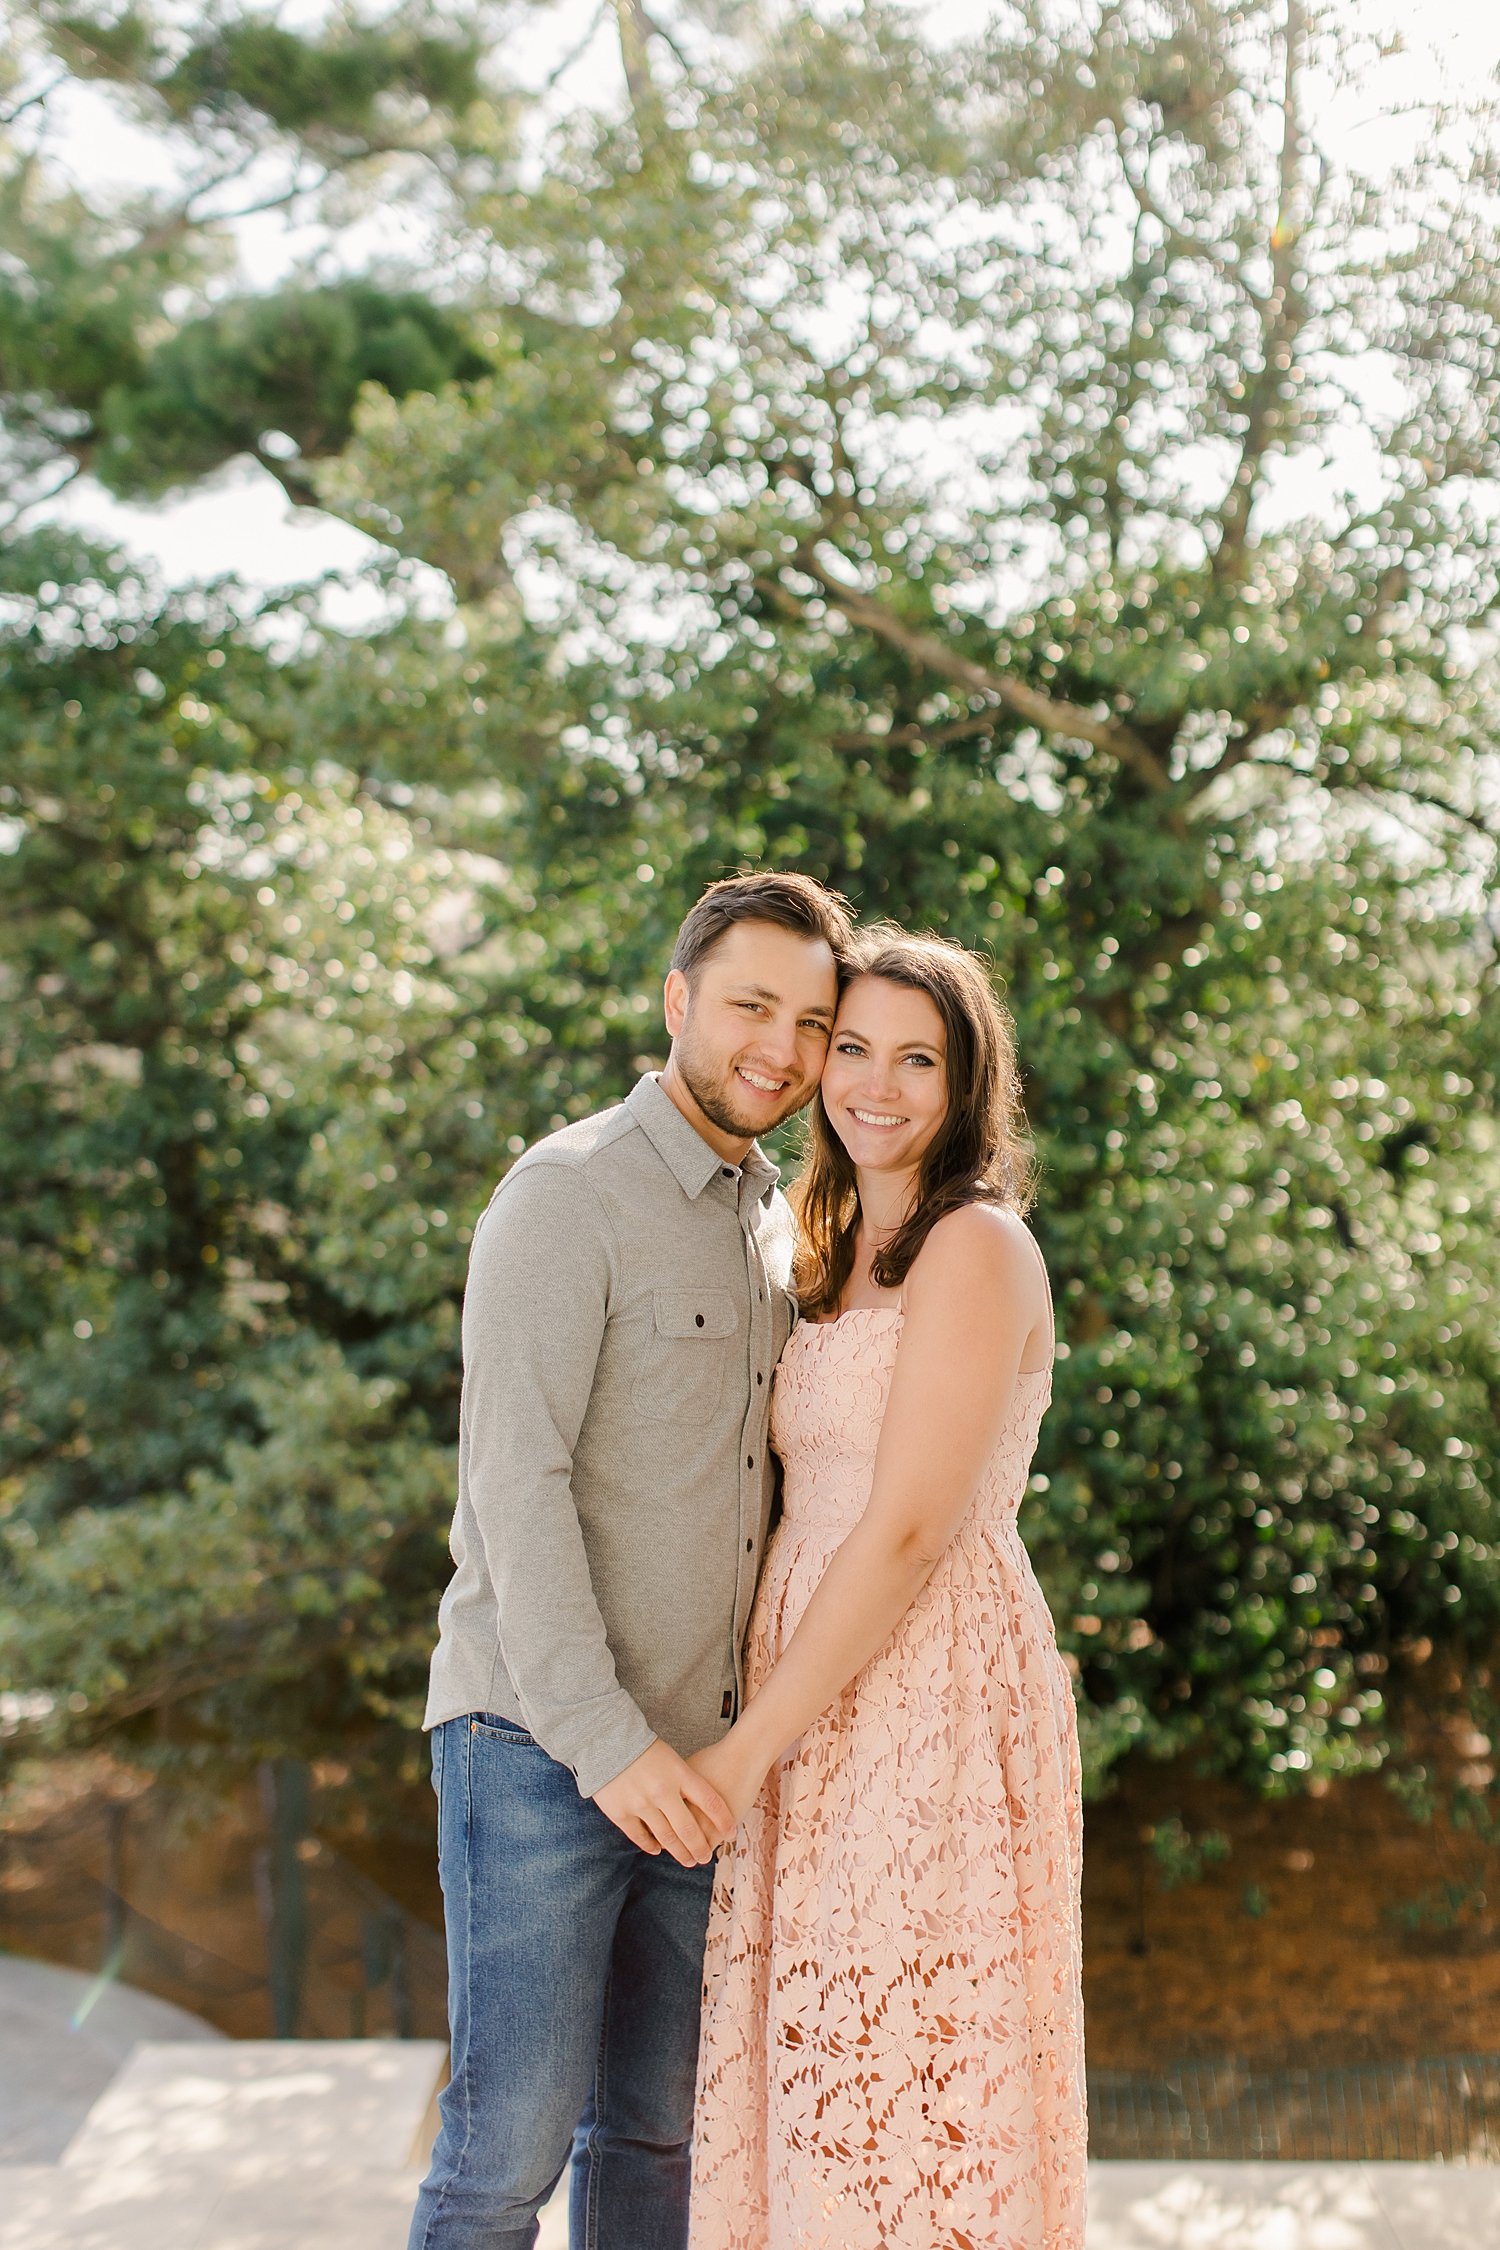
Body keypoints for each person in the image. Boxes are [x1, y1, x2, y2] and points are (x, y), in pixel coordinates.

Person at [407, 871, 853, 2250]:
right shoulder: (564, 1193)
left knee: (661, 2139)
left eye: (812, 1021)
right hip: (540, 1748)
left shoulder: (778, 1221)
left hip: (704, 1773)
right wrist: (606, 1744)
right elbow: (512, 1485)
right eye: (749, 1006)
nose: (777, 1047)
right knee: (507, 2151)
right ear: (678, 1001)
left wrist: (709, 1756)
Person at [689, 926, 1087, 2250]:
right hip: (816, 1694)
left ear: (966, 1084)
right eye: (851, 1045)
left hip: (923, 1690)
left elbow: (911, 1524)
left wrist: (745, 1747)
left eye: (919, 1058)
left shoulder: (975, 1244)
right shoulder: (830, 1234)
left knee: (916, 2076)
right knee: (824, 2074)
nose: (876, 1082)